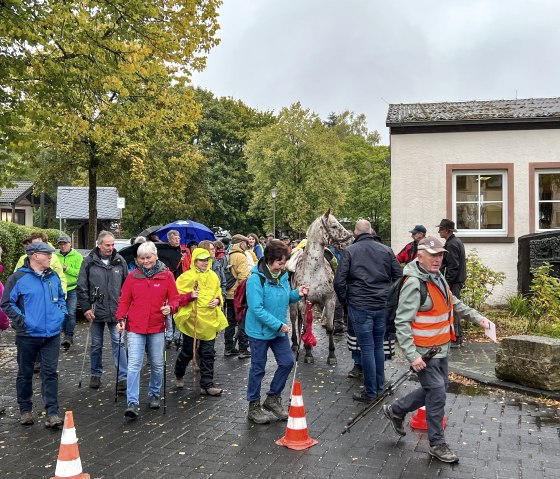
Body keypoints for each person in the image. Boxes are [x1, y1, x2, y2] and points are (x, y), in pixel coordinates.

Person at [383, 236, 489, 464]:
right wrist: (412, 356)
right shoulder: (414, 283)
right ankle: (437, 444)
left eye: (440, 255)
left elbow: (453, 303)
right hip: (424, 353)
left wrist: (478, 318)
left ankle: (396, 410)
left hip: (440, 349)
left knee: (435, 389)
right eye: (433, 255)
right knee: (437, 392)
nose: (438, 259)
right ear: (419, 256)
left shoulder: (437, 277)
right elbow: (402, 323)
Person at [334, 219, 402, 402]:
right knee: (378, 346)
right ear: (371, 231)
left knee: (367, 349)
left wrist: (347, 303)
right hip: (382, 306)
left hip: (360, 305)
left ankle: (371, 392)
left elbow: (339, 282)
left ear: (356, 232)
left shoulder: (349, 251)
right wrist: (390, 300)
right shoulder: (386, 250)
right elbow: (400, 277)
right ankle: (379, 387)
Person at [1, 242, 67, 427]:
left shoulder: (52, 276)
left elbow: (61, 297)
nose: (50, 257)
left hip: (52, 334)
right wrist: (23, 321)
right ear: (34, 255)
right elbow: (7, 303)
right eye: (47, 254)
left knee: (50, 373)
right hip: (27, 335)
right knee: (25, 373)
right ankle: (25, 411)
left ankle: (52, 413)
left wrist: (60, 315)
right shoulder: (18, 278)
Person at [245, 239, 309, 424]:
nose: (281, 267)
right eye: (279, 263)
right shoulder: (255, 279)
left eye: (284, 263)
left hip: (279, 330)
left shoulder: (282, 277)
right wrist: (279, 325)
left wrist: (298, 293)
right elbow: (256, 308)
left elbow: (285, 296)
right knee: (258, 368)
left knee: (287, 362)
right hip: (260, 332)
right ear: (269, 259)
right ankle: (253, 406)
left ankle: (272, 398)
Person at [116, 242, 179, 418]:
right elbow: (124, 301)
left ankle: (154, 394)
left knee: (158, 364)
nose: (145, 261)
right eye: (142, 258)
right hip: (135, 326)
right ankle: (132, 402)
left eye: (148, 257)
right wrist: (120, 318)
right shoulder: (132, 276)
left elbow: (175, 299)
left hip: (157, 326)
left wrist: (171, 308)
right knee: (134, 364)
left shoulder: (167, 276)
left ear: (155, 256)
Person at [77, 230, 128, 390]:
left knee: (119, 343)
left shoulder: (120, 261)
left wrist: (125, 307)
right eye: (108, 245)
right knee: (96, 344)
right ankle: (95, 375)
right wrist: (85, 308)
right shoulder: (89, 261)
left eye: (113, 244)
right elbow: (81, 286)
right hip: (95, 309)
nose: (111, 248)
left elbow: (127, 286)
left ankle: (122, 377)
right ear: (99, 245)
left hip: (116, 310)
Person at [173, 248, 228, 396]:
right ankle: (179, 372)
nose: (205, 262)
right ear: (195, 261)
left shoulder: (213, 276)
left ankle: (207, 385)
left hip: (209, 321)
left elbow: (218, 292)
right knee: (188, 352)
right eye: (202, 260)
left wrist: (217, 300)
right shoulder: (186, 277)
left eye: (207, 260)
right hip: (193, 321)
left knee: (208, 353)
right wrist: (190, 295)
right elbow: (176, 297)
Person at [437, 219, 467, 347]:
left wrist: (447, 283)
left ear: (447, 231)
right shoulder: (454, 242)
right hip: (457, 280)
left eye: (441, 229)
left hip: (454, 282)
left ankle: (457, 338)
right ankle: (457, 337)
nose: (439, 231)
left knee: (454, 308)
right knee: (454, 307)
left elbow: (453, 266)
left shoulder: (452, 244)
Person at [224, 234, 251, 358]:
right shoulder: (241, 256)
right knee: (242, 321)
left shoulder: (227, 255)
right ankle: (243, 349)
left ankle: (228, 348)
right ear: (241, 244)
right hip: (238, 294)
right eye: (246, 243)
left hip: (228, 293)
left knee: (230, 322)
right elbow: (243, 277)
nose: (247, 246)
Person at [56, 235, 83, 350]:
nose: (62, 246)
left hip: (72, 289)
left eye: (65, 243)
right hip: (59, 290)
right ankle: (62, 335)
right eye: (60, 244)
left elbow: (80, 273)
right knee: (60, 314)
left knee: (71, 313)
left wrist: (67, 269)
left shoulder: (77, 256)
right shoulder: (55, 257)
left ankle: (69, 336)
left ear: (70, 244)